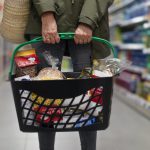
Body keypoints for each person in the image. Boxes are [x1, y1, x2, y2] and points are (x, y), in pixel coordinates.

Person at [25, 0, 114, 150]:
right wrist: (46, 13)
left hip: (88, 19)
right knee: (45, 95)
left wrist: (88, 20)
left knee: (88, 96)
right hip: (44, 20)